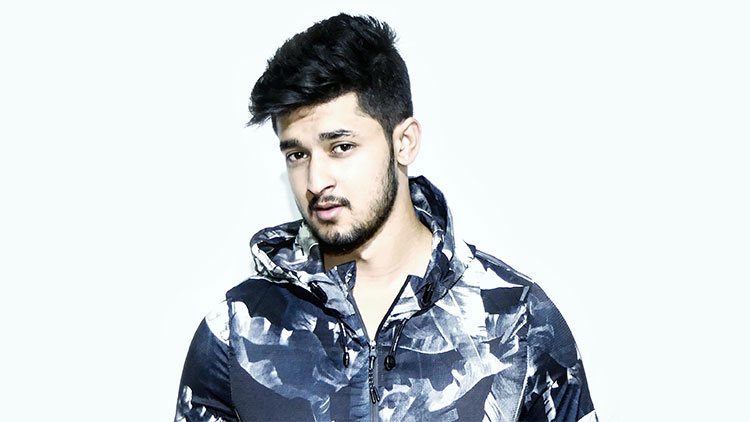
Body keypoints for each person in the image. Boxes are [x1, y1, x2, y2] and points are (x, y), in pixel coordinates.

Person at [175, 13, 597, 422]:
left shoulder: (520, 321)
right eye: (297, 154)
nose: (316, 180)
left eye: (341, 147)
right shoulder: (237, 331)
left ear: (405, 143)